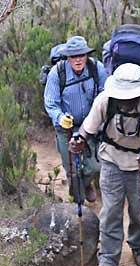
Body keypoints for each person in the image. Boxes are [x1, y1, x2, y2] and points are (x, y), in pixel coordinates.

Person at [69, 63, 140, 266]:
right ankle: (108, 261)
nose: (125, 101)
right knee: (111, 212)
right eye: (121, 97)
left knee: (139, 212)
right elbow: (87, 129)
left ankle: (137, 245)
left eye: (129, 97)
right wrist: (79, 140)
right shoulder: (106, 99)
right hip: (112, 161)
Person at [44, 36, 107, 203]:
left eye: (81, 55)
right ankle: (77, 198)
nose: (78, 59)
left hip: (90, 125)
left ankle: (86, 184)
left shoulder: (96, 68)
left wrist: (99, 117)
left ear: (87, 55)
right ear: (67, 57)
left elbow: (105, 94)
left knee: (95, 165)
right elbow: (51, 103)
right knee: (72, 169)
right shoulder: (57, 74)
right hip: (66, 128)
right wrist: (60, 117)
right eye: (73, 56)